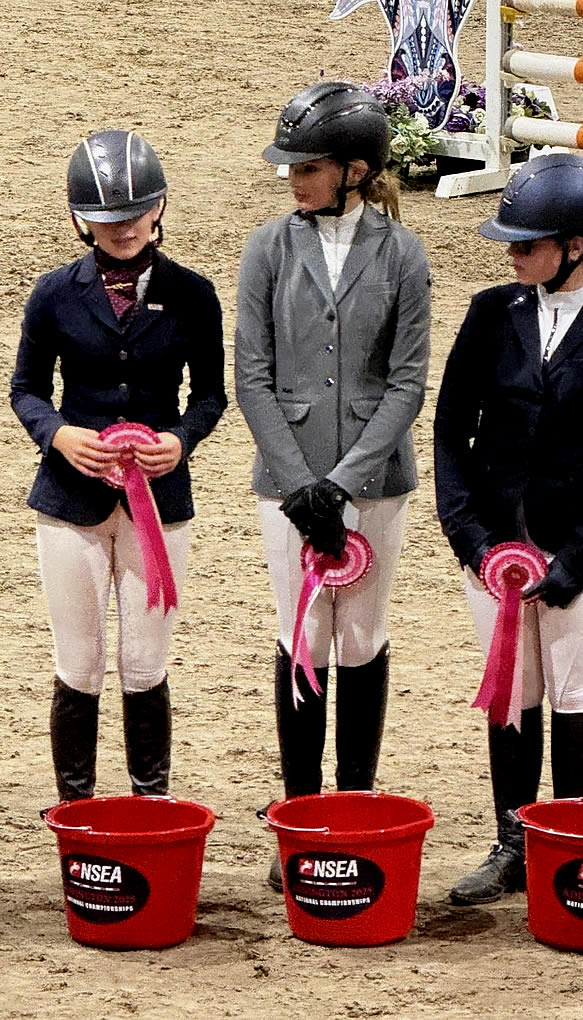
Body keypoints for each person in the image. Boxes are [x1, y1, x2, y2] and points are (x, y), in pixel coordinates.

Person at [433, 153, 583, 905]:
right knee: (513, 689)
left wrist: (581, 556)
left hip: (582, 546)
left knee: (573, 689)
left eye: (526, 244)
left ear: (575, 246)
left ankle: (570, 844)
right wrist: (468, 536)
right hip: (494, 545)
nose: (512, 254)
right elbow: (450, 430)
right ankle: (512, 843)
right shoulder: (489, 313)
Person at [235, 81, 431, 890]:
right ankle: (299, 814)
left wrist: (345, 484)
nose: (294, 180)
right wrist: (301, 485)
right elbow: (252, 376)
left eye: (308, 167)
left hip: (377, 481)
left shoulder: (403, 253)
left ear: (354, 171)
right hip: (287, 479)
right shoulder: (268, 248)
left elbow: (409, 383)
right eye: (291, 167)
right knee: (302, 636)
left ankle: (352, 807)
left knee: (362, 639)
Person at [11, 129, 226, 802]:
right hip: (69, 501)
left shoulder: (195, 294)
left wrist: (181, 440)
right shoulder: (53, 293)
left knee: (144, 662)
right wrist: (59, 435)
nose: (123, 227)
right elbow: (25, 389)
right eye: (106, 217)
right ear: (80, 219)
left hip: (158, 501)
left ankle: (150, 805)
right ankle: (76, 808)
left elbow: (211, 394)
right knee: (79, 663)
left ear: (159, 207)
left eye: (135, 212)